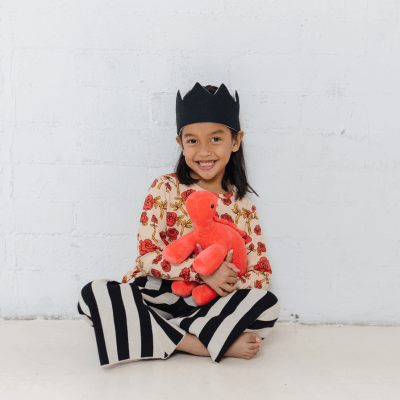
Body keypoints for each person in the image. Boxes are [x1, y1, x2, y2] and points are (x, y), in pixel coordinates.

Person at [77, 82, 281, 368]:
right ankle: (197, 343)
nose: (204, 151)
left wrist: (224, 279)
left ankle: (156, 333)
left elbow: (261, 272)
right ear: (180, 144)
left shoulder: (243, 206)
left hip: (209, 305)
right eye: (193, 141)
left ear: (235, 141)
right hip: (161, 293)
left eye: (216, 139)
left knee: (267, 305)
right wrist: (201, 273)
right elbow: (147, 257)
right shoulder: (163, 188)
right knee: (92, 295)